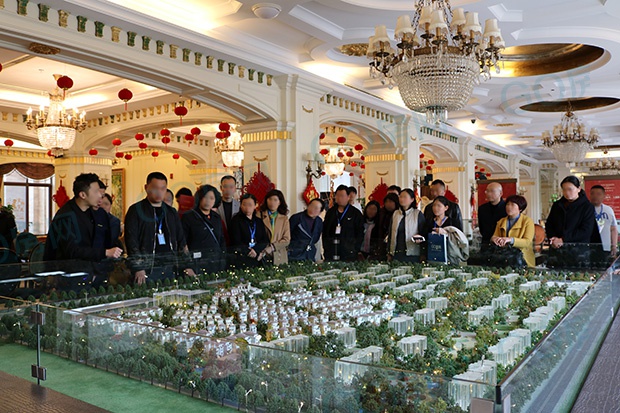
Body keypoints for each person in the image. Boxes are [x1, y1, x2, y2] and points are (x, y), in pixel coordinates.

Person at [43, 173, 122, 283]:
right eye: (96, 192)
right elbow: (71, 251)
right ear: (83, 195)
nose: (100, 195)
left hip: (90, 273)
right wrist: (104, 252)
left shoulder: (92, 213)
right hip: (66, 277)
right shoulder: (66, 216)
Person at [124, 172, 194, 285]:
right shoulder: (136, 210)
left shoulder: (171, 212)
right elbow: (132, 241)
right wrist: (138, 267)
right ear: (146, 188)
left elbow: (181, 240)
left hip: (170, 266)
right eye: (155, 188)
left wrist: (187, 265)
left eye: (162, 188)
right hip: (147, 268)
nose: (159, 192)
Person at [546, 176, 602, 268]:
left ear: (578, 189)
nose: (567, 192)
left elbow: (586, 231)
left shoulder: (587, 206)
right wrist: (553, 238)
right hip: (557, 251)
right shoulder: (557, 205)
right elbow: (549, 224)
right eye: (564, 190)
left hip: (578, 252)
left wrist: (563, 239)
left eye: (570, 189)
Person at [181, 185, 227, 274]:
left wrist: (223, 260)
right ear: (199, 198)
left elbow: (221, 240)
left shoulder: (216, 217)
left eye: (211, 198)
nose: (208, 201)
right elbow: (183, 243)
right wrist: (187, 265)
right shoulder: (189, 217)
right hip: (197, 263)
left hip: (215, 263)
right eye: (205, 197)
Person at [491, 194, 536, 267]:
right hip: (504, 259)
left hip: (523, 260)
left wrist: (510, 240)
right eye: (507, 204)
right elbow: (494, 236)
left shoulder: (527, 221)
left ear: (520, 208)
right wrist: (495, 239)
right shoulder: (501, 221)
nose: (509, 207)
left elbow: (527, 242)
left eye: (512, 205)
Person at [322, 185, 364, 261]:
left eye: (342, 196)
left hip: (348, 251)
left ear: (348, 197)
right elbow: (325, 231)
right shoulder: (331, 212)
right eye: (337, 195)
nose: (339, 198)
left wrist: (355, 248)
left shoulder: (355, 213)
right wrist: (326, 247)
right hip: (332, 250)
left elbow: (360, 232)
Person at [424, 196, 469, 265]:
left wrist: (446, 233)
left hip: (450, 255)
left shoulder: (452, 222)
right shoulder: (429, 222)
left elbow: (459, 237)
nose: (435, 208)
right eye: (434, 205)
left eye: (439, 206)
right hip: (433, 254)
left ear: (446, 208)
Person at [228, 193, 269, 268]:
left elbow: (264, 240)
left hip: (257, 256)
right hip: (241, 257)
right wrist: (248, 251)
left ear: (255, 205)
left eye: (250, 205)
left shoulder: (258, 221)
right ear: (240, 205)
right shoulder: (236, 220)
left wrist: (256, 250)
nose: (247, 207)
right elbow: (236, 240)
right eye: (244, 204)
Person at [387, 189, 426, 263]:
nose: (402, 199)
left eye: (405, 197)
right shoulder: (395, 213)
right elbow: (390, 233)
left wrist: (423, 253)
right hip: (396, 251)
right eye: (400, 197)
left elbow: (423, 234)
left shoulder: (417, 214)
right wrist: (389, 251)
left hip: (412, 252)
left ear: (412, 199)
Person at [258, 189, 291, 265]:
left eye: (275, 200)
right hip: (262, 253)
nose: (272, 202)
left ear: (280, 202)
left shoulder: (284, 219)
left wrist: (272, 247)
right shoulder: (259, 215)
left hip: (278, 253)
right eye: (270, 199)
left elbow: (286, 239)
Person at [590, 185, 618, 256]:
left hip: (606, 248)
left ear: (604, 196)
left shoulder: (608, 210)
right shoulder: (585, 209)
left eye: (598, 194)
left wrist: (614, 246)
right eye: (592, 193)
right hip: (589, 248)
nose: (595, 196)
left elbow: (613, 229)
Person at [477, 182, 507, 246]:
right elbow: (482, 228)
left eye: (492, 191)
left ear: (500, 193)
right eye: (487, 191)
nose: (488, 194)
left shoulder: (507, 208)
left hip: (503, 243)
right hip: (486, 243)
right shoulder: (482, 208)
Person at [377, 193, 399, 260]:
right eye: (386, 202)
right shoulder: (381, 213)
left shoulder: (398, 214)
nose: (388, 204)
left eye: (390, 201)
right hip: (381, 243)